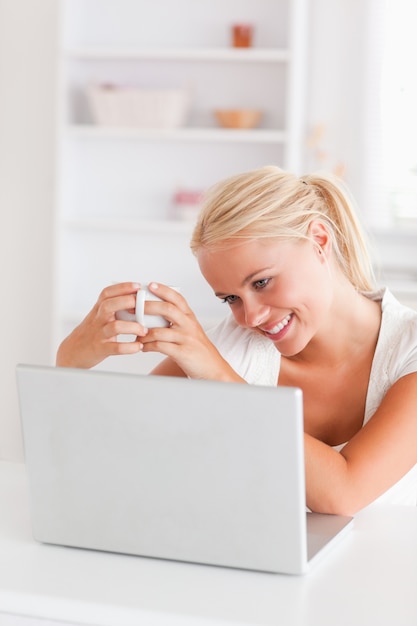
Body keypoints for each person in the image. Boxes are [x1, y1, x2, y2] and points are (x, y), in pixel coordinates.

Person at [56, 165, 417, 515]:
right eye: (231, 299)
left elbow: (344, 493)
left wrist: (219, 378)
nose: (251, 317)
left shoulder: (408, 350)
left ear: (319, 241)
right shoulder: (236, 345)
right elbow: (116, 456)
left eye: (261, 282)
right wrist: (70, 362)